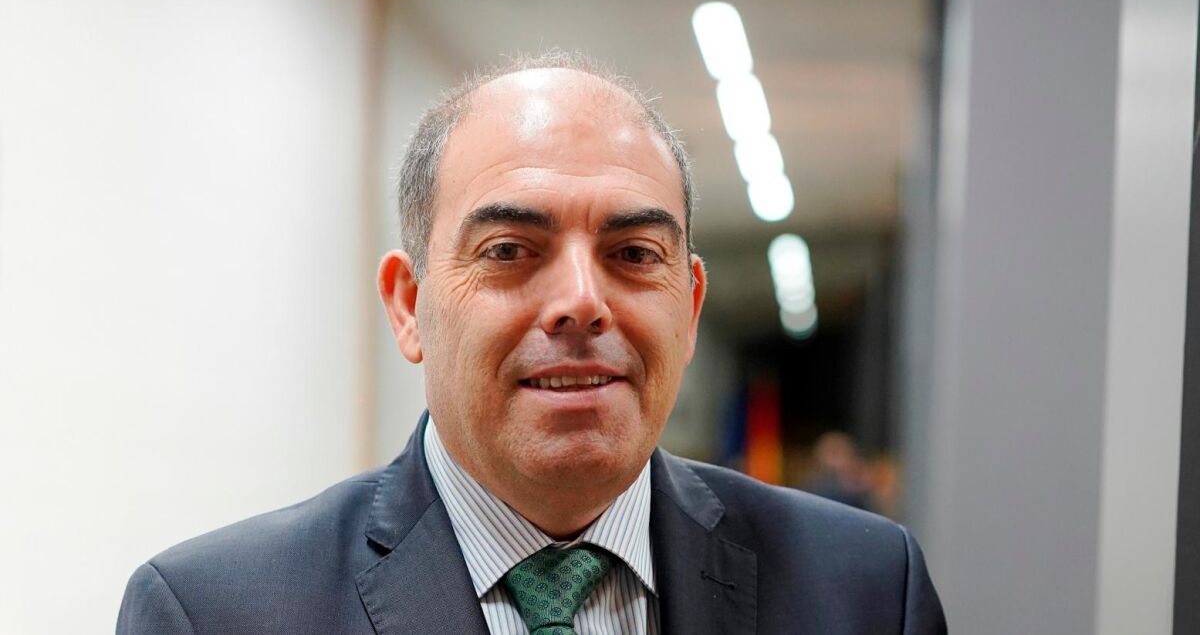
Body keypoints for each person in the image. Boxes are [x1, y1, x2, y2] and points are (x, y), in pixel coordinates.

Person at [117, 52, 947, 634]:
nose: (582, 301)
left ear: (690, 307)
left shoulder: (868, 591)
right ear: (408, 305)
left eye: (633, 254)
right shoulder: (213, 613)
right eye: (511, 250)